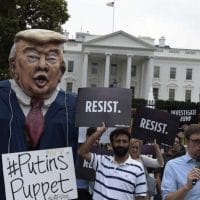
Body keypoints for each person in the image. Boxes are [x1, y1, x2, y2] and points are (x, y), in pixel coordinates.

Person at [0, 29, 78, 199]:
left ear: (61, 70)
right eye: (32, 57)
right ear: (13, 66)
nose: (42, 65)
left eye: (51, 58)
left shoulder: (74, 106)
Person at [78, 123, 147, 200]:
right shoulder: (101, 161)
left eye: (124, 141)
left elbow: (140, 197)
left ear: (129, 144)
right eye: (118, 141)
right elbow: (82, 152)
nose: (121, 144)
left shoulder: (138, 168)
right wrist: (99, 132)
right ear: (112, 144)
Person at [161, 124, 200, 200]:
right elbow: (167, 198)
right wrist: (187, 187)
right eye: (196, 141)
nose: (199, 145)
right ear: (187, 142)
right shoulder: (173, 165)